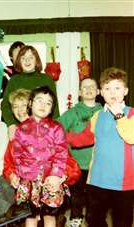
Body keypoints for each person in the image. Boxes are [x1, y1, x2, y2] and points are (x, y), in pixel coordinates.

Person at [66, 67, 134, 227]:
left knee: (122, 221)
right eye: (107, 88)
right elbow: (82, 139)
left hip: (124, 183)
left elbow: (131, 136)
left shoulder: (131, 113)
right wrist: (57, 136)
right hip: (97, 180)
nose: (113, 92)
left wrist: (119, 115)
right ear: (101, 93)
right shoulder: (98, 115)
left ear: (125, 91)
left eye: (117, 88)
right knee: (94, 219)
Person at [4, 86, 69, 227]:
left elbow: (61, 153)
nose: (43, 105)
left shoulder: (56, 128)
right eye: (39, 100)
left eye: (48, 103)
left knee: (50, 215)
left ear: (52, 108)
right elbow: (17, 154)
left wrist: (56, 175)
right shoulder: (21, 129)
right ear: (31, 103)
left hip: (50, 178)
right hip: (28, 179)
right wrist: (18, 174)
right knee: (30, 215)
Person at [58, 78, 102, 227]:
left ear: (98, 92)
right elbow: (57, 128)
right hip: (76, 164)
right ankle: (76, 217)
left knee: (94, 195)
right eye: (84, 87)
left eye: (92, 86)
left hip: (97, 164)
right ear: (79, 92)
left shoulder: (104, 112)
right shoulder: (72, 112)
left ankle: (93, 218)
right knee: (76, 194)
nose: (89, 89)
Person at [1, 45, 59, 127]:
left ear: (36, 60)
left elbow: (54, 107)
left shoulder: (47, 79)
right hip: (20, 128)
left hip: (43, 129)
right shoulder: (14, 80)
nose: (27, 61)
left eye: (31, 57)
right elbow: (5, 106)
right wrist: (11, 124)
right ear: (19, 61)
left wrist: (55, 128)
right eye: (23, 58)